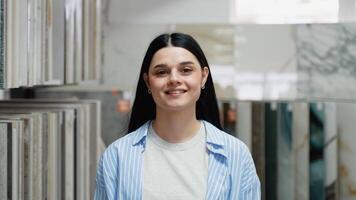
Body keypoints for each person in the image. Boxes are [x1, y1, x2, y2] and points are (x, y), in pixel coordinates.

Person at [94, 33, 261, 200]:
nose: (174, 79)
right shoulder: (117, 156)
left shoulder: (236, 155)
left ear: (203, 77)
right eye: (161, 72)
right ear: (147, 82)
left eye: (186, 70)